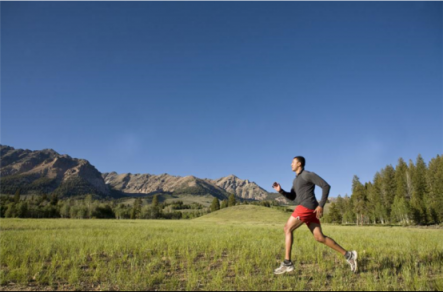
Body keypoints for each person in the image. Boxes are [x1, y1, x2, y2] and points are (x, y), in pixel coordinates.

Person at [272, 156, 358, 274]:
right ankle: (349, 255)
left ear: (299, 164)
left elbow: (326, 186)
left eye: (293, 162)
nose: (291, 164)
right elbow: (292, 197)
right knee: (319, 237)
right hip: (309, 209)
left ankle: (287, 263)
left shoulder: (307, 174)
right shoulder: (296, 180)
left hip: (307, 207)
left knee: (287, 228)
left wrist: (321, 205)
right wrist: (280, 191)